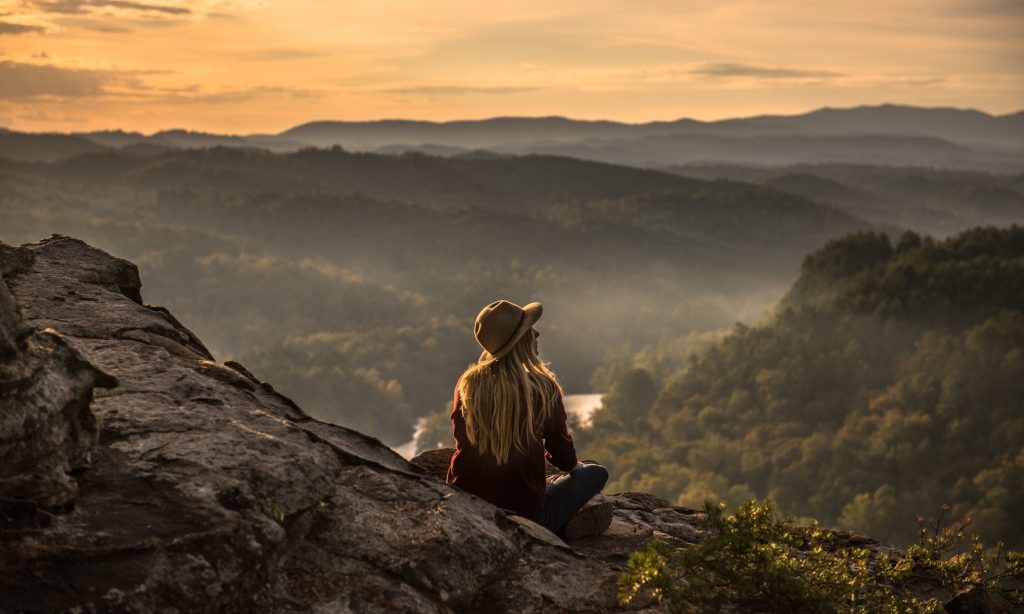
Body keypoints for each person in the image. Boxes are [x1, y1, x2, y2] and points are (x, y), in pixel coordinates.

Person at [445, 299, 612, 539]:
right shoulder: (542, 388)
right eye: (529, 330)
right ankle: (562, 527)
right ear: (520, 341)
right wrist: (575, 468)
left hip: (465, 505)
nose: (537, 333)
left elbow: (461, 438)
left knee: (557, 478)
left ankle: (561, 513)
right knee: (595, 473)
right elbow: (561, 451)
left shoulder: (468, 384)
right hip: (525, 517)